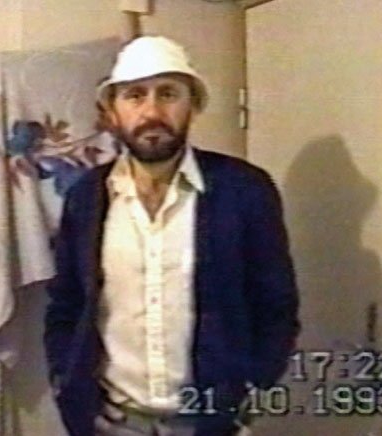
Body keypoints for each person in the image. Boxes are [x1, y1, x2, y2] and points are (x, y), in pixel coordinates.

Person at [44, 36, 300, 436]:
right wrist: (68, 386)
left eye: (168, 94)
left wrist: (252, 388)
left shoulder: (244, 190)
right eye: (135, 95)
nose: (152, 112)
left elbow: (276, 305)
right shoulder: (86, 197)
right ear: (112, 111)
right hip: (111, 422)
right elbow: (66, 304)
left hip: (210, 424)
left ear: (192, 105)